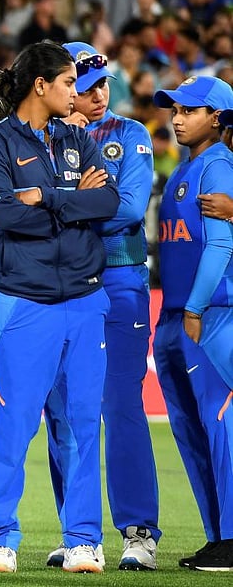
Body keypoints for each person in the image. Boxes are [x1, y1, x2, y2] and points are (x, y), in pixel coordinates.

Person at [0, 41, 120, 573]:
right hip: (20, 301)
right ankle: (0, 539)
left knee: (82, 424)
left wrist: (52, 198)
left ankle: (84, 539)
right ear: (41, 85)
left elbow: (109, 202)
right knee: (13, 425)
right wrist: (71, 198)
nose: (75, 94)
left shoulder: (77, 137)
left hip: (83, 297)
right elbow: (8, 214)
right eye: (68, 84)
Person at [43, 41, 161, 572]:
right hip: (61, 286)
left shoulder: (129, 136)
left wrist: (57, 207)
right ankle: (77, 531)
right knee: (64, 411)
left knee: (119, 405)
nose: (97, 96)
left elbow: (130, 207)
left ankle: (139, 533)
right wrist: (84, 200)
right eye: (84, 86)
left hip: (118, 282)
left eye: (102, 84)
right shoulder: (41, 138)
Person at [152, 76, 233, 571]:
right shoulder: (188, 167)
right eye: (174, 110)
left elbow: (221, 246)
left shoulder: (218, 165)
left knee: (220, 425)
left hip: (211, 315)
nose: (177, 118)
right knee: (192, 429)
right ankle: (216, 535)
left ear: (218, 118)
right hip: (174, 315)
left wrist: (196, 310)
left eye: (190, 110)